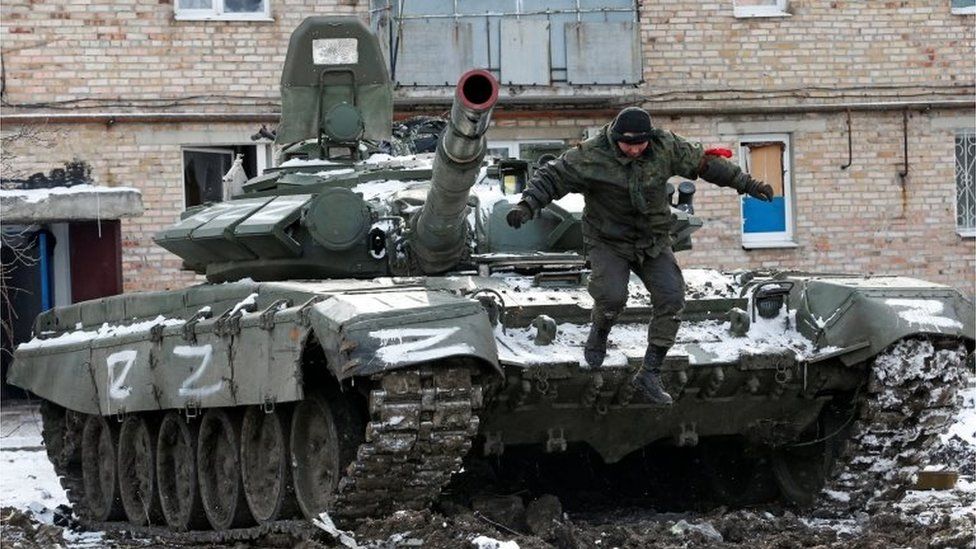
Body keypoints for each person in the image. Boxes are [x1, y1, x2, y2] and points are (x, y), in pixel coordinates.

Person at [505, 107, 773, 405]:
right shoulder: (591, 154)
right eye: (627, 144)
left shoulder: (664, 145)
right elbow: (553, 176)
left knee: (672, 298)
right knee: (612, 297)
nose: (634, 149)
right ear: (616, 138)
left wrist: (749, 185)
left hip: (653, 240)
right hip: (609, 241)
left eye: (640, 144)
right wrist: (527, 205)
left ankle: (650, 372)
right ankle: (600, 331)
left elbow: (706, 164)